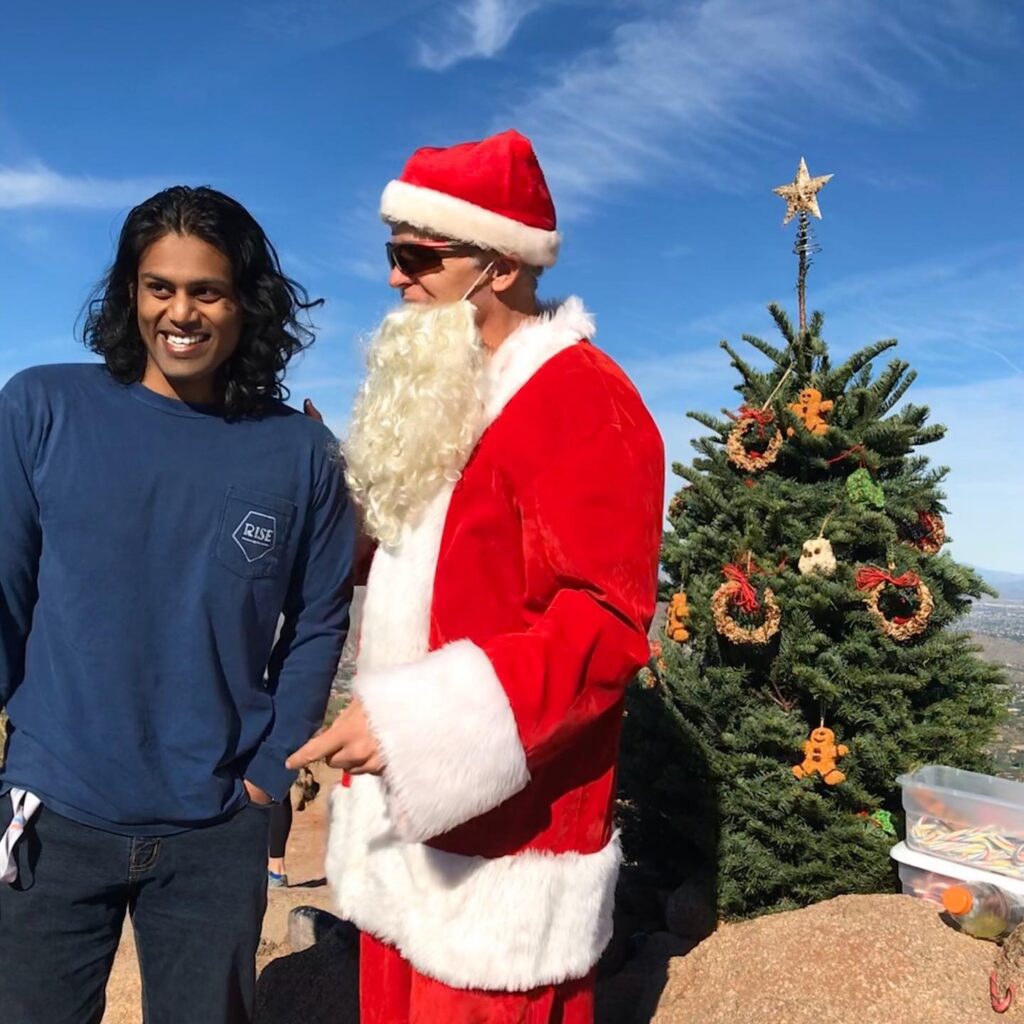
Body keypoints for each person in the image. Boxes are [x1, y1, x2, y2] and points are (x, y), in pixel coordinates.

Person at [288, 130, 665, 1023]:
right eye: (393, 254)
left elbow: (606, 624)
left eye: (417, 256)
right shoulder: (449, 391)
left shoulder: (581, 398)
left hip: (503, 855)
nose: (394, 278)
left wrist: (416, 727)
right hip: (399, 827)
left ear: (499, 266)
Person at [0, 186, 354, 1024]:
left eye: (207, 290)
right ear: (132, 292)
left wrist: (269, 778)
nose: (181, 312)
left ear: (245, 303)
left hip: (218, 826)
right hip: (56, 811)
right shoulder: (43, 407)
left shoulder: (301, 453)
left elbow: (318, 620)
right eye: (160, 286)